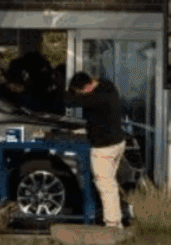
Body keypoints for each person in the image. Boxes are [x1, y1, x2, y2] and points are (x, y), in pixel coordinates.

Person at [64, 71, 126, 230]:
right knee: (111, 183)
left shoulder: (94, 98)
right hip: (118, 142)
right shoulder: (108, 87)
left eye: (80, 92)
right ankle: (117, 218)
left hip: (104, 147)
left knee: (105, 185)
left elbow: (72, 101)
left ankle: (112, 224)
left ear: (86, 87)